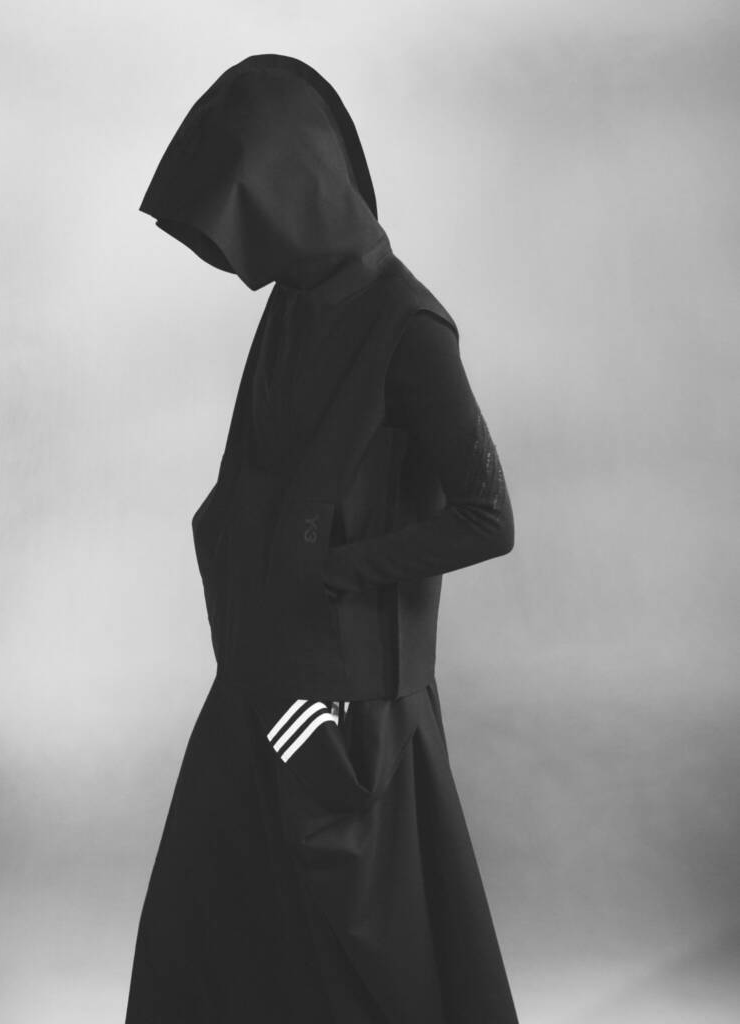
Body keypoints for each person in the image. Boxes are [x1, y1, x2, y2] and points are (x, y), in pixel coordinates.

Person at [125, 53, 520, 1024]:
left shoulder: (409, 328)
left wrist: (335, 573)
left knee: (364, 956)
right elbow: (253, 483)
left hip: (347, 711)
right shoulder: (297, 308)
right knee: (214, 929)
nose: (240, 255)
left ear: (296, 191)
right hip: (264, 676)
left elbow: (488, 517)